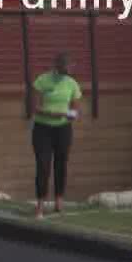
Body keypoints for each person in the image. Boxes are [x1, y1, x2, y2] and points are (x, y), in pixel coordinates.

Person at [31, 53, 82, 218]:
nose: (69, 69)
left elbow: (75, 107)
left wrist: (72, 114)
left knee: (61, 163)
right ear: (58, 65)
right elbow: (35, 107)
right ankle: (40, 203)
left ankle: (59, 200)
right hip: (42, 129)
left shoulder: (72, 84)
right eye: (67, 66)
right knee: (43, 165)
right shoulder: (42, 80)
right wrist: (54, 114)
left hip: (63, 130)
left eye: (71, 66)